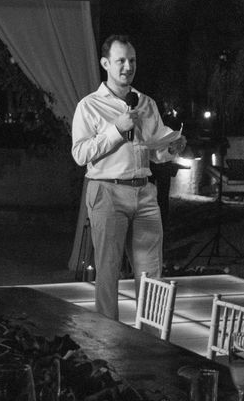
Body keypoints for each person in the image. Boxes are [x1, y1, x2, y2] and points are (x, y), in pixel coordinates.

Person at [71, 34, 186, 320]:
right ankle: (108, 342)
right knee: (108, 271)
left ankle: (151, 340)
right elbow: (80, 153)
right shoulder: (89, 105)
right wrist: (115, 130)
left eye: (132, 60)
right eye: (120, 60)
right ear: (105, 63)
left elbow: (155, 151)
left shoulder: (146, 103)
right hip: (107, 191)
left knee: (151, 273)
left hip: (145, 192)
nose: (127, 66)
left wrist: (170, 147)